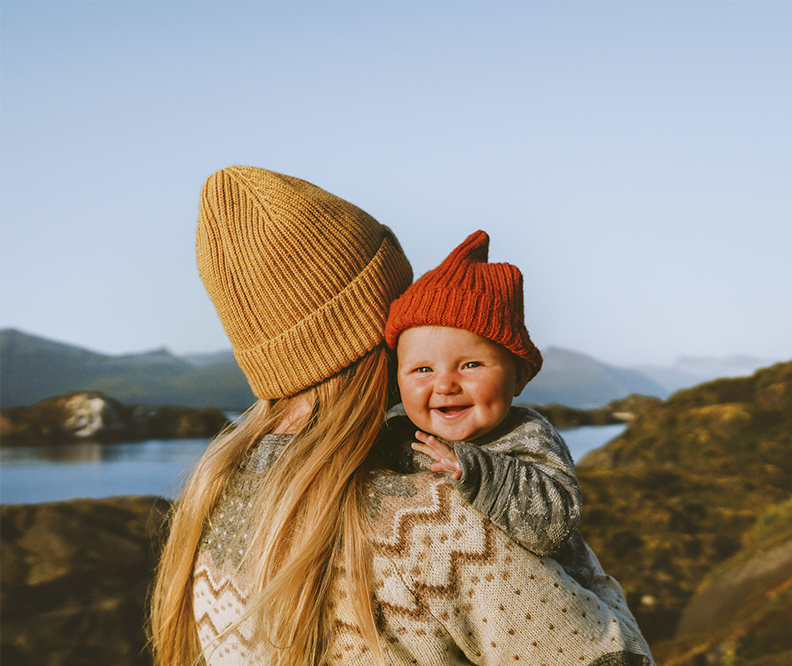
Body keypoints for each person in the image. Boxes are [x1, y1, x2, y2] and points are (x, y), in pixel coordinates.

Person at [149, 165, 655, 666]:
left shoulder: (212, 500)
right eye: (402, 306)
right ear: (373, 334)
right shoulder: (434, 523)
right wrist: (582, 573)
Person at [381, 229, 582, 559]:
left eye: (471, 365)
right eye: (423, 370)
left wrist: (475, 470)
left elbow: (554, 526)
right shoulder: (395, 434)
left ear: (519, 377)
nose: (445, 385)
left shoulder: (529, 438)